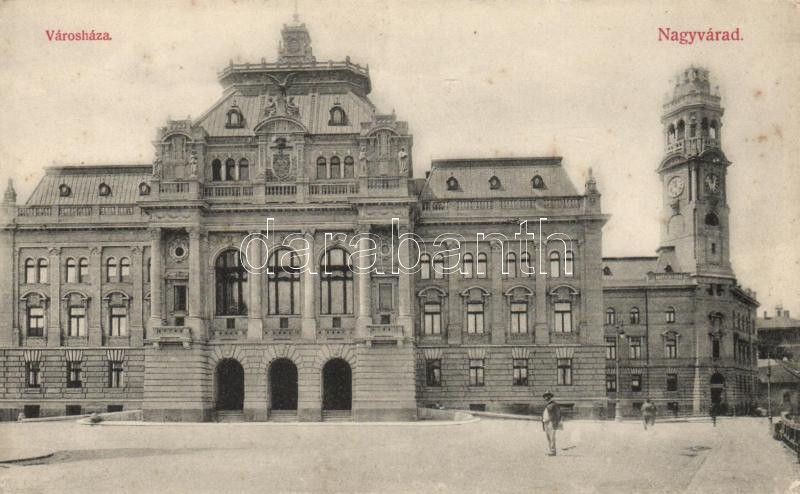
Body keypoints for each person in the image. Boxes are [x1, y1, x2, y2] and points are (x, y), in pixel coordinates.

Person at [541, 391, 561, 456]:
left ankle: (553, 451)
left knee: (552, 437)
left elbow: (558, 414)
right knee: (548, 437)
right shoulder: (547, 404)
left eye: (547, 396)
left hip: (551, 423)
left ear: (550, 396)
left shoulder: (554, 404)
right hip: (546, 422)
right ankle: (551, 450)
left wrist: (555, 422)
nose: (546, 397)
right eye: (545, 396)